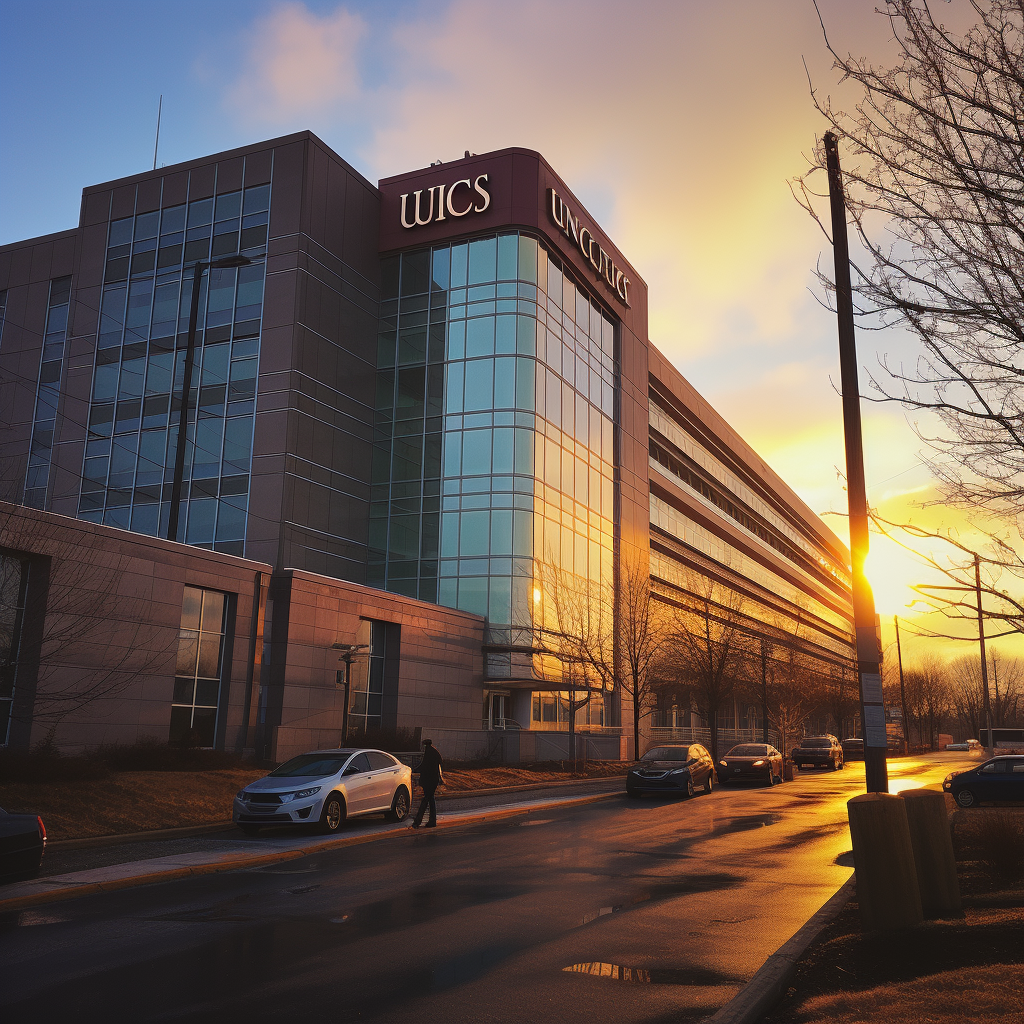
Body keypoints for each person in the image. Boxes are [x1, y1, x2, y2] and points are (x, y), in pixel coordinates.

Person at [411, 738, 443, 828]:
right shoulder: (435, 752)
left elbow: (424, 766)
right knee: (430, 800)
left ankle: (418, 821)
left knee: (426, 800)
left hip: (429, 780)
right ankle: (431, 821)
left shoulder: (428, 753)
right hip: (433, 780)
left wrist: (414, 770)